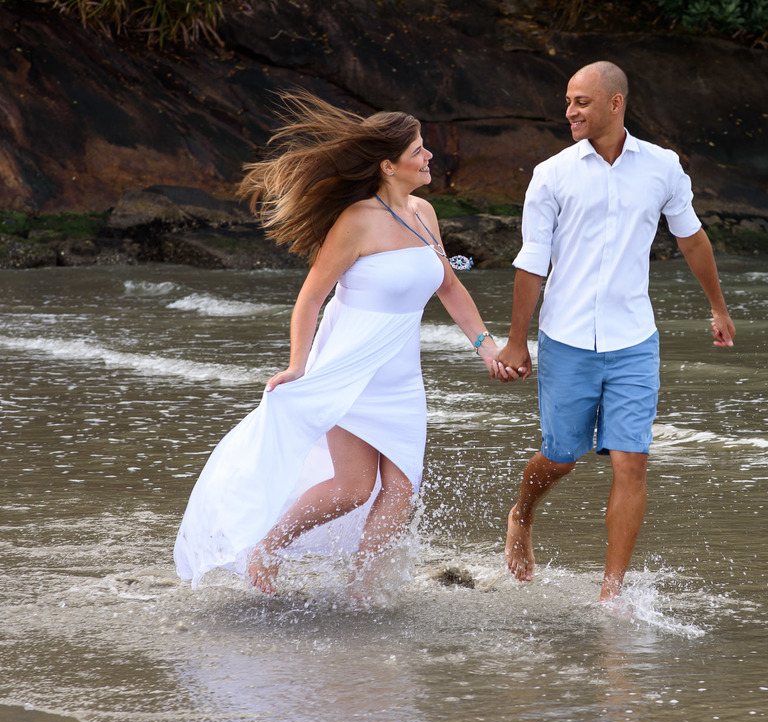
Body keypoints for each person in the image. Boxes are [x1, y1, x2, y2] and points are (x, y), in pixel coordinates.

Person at [174, 92, 513, 597]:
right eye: (419, 150)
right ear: (387, 165)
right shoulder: (356, 220)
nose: (429, 157)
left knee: (402, 490)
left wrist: (485, 344)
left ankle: (363, 593)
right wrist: (298, 366)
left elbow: (449, 284)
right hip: (353, 363)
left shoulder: (423, 212)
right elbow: (310, 299)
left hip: (401, 371)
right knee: (354, 489)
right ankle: (266, 547)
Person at [494, 61, 736, 603]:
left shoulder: (662, 167)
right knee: (559, 457)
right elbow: (532, 262)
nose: (570, 111)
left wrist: (718, 308)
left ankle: (611, 594)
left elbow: (693, 240)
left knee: (631, 459)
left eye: (581, 101)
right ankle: (523, 515)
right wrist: (516, 340)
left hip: (633, 339)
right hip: (567, 336)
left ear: (615, 103)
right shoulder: (551, 174)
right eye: (568, 101)